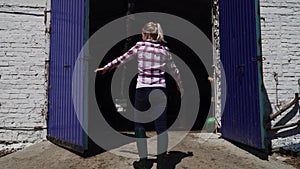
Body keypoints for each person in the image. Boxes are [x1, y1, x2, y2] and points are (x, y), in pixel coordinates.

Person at [95, 22, 183, 169]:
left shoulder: (140, 46)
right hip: (159, 90)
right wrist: (180, 86)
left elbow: (122, 59)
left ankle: (143, 162)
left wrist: (107, 67)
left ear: (145, 34)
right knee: (161, 127)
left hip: (142, 90)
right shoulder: (164, 50)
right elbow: (175, 71)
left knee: (139, 125)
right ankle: (162, 164)